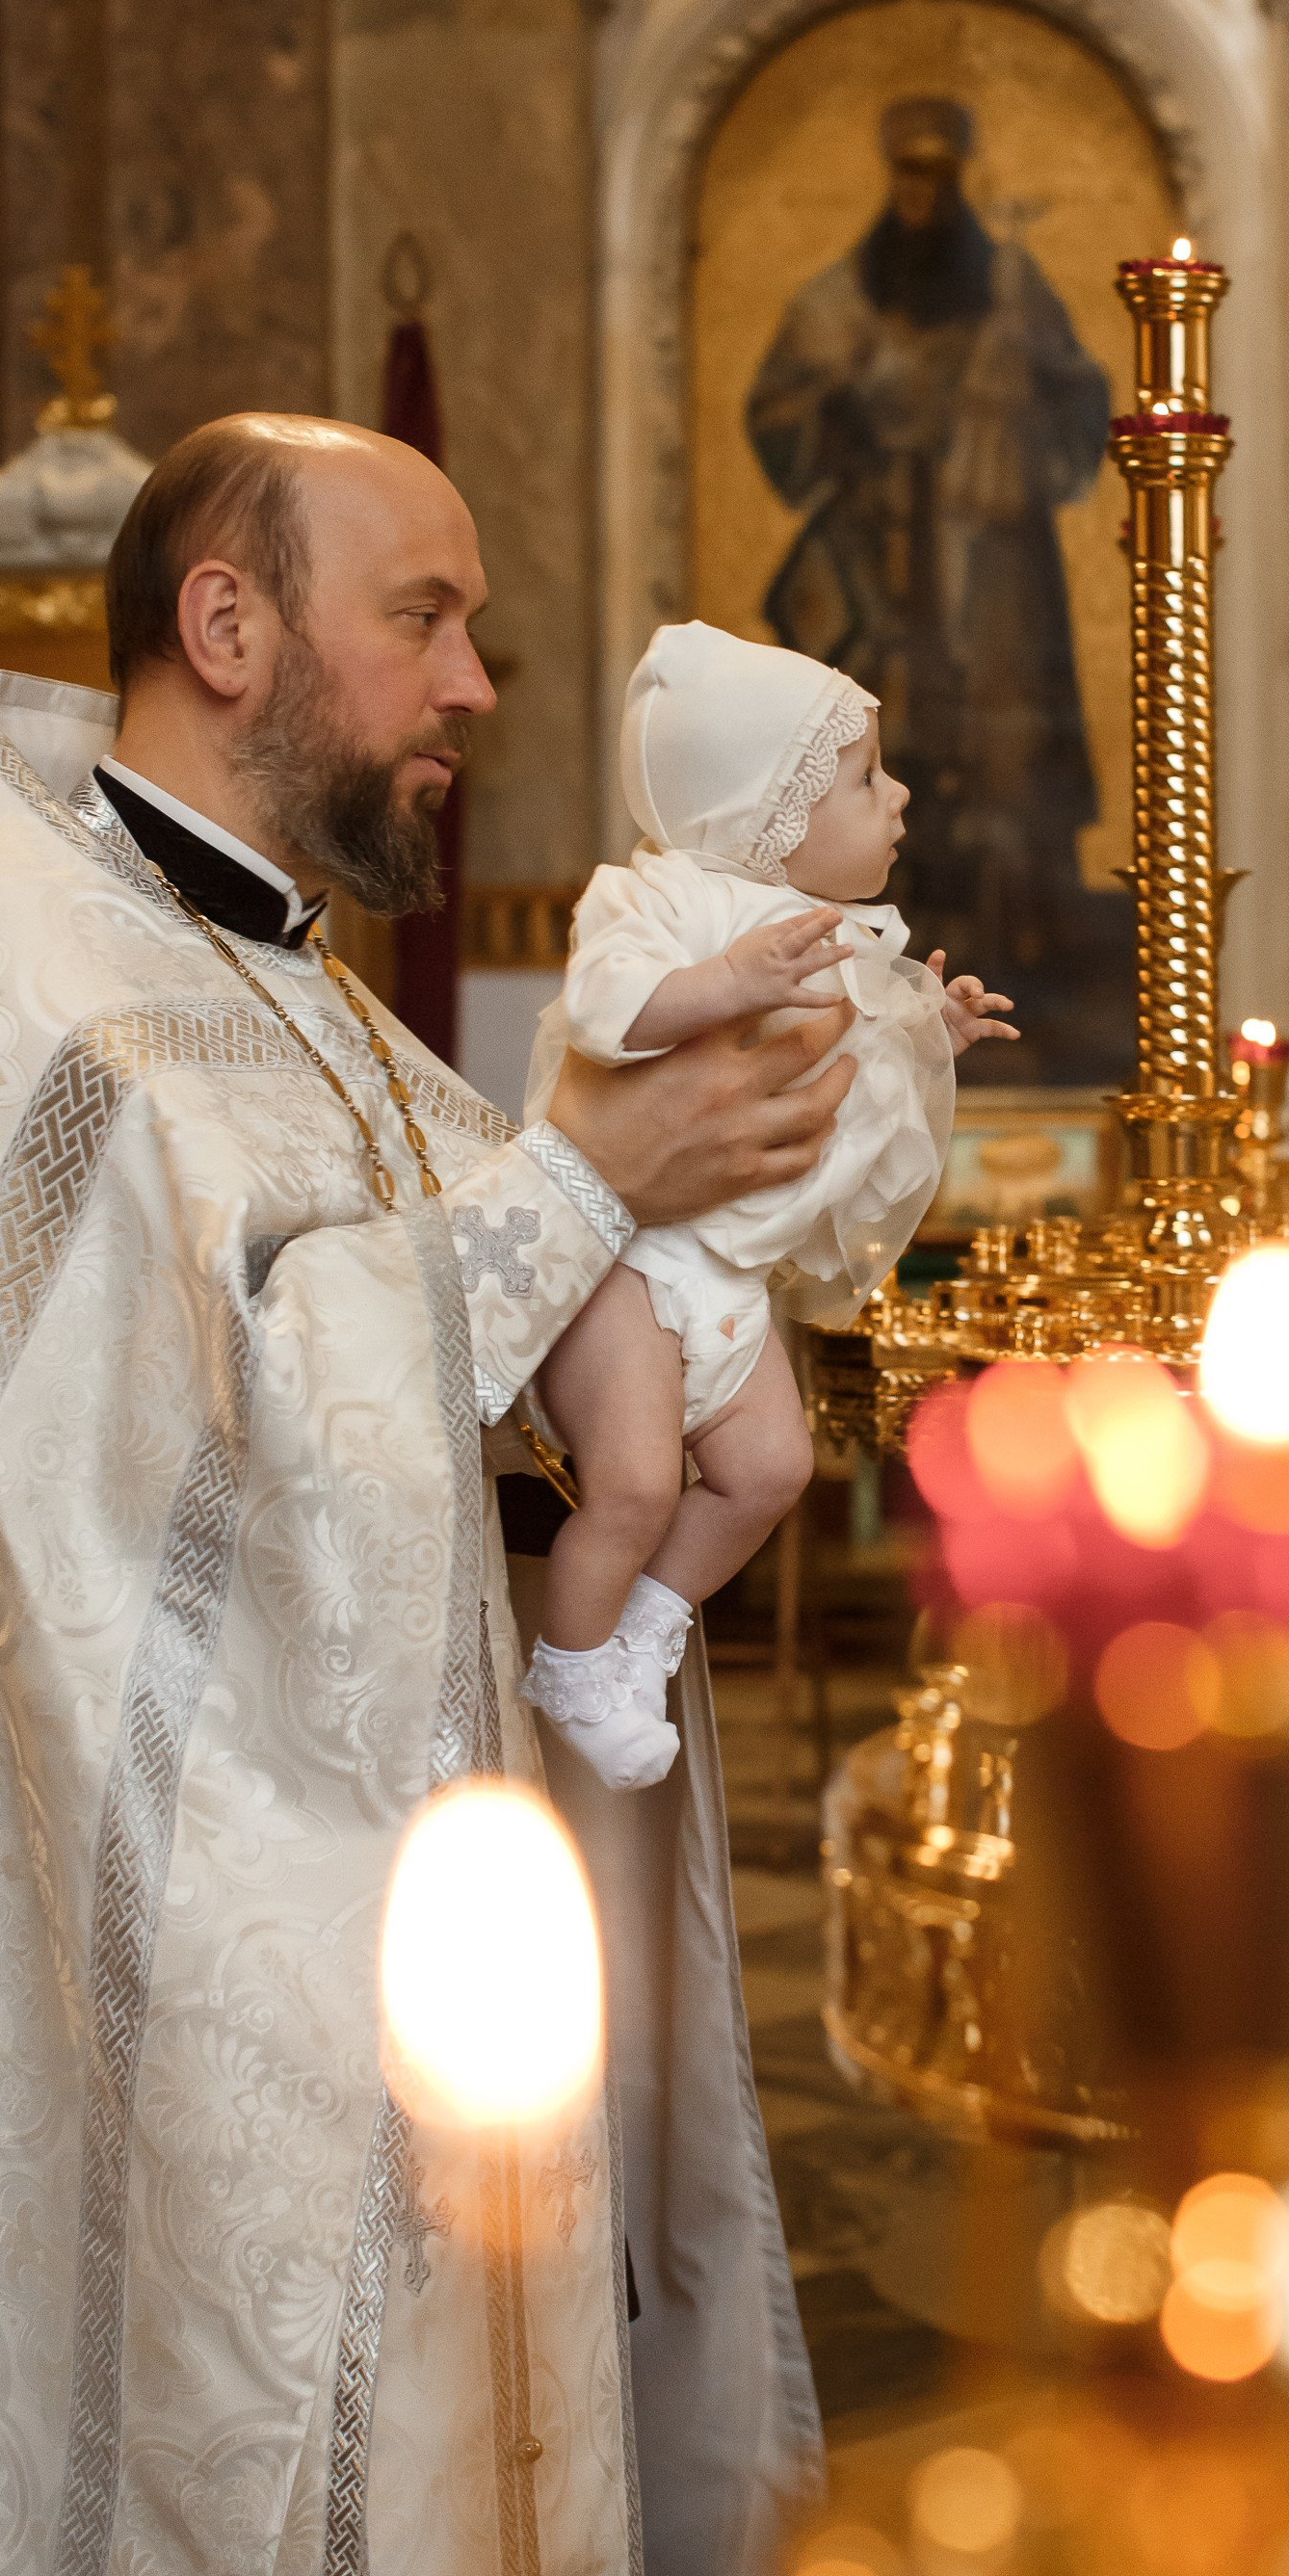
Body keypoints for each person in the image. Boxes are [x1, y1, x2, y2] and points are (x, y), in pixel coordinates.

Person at [0, 415, 845, 2576]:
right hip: (153, 1947)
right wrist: (590, 1181)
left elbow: (485, 1278)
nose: (477, 686)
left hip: (428, 1934)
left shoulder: (279, 972)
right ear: (229, 628)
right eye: (422, 619)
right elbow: (235, 1426)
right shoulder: (21, 972)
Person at [518, 619, 1014, 1789]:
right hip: (637, 1257)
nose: (897, 796)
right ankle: (569, 1664)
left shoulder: (834, 937)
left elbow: (850, 1082)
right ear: (764, 813)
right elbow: (604, 1006)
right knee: (635, 1479)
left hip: (728, 1279)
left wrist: (926, 1033)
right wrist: (726, 981)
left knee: (772, 1471)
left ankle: (640, 1627)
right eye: (862, 778)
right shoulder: (664, 900)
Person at [747, 94, 1120, 1070]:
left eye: (937, 180)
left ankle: (1012, 973)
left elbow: (1082, 404)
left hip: (988, 568)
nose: (920, 199)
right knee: (878, 746)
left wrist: (1022, 388)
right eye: (905, 178)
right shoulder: (836, 303)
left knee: (1002, 758)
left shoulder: (1008, 288)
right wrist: (847, 409)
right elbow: (779, 415)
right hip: (878, 567)